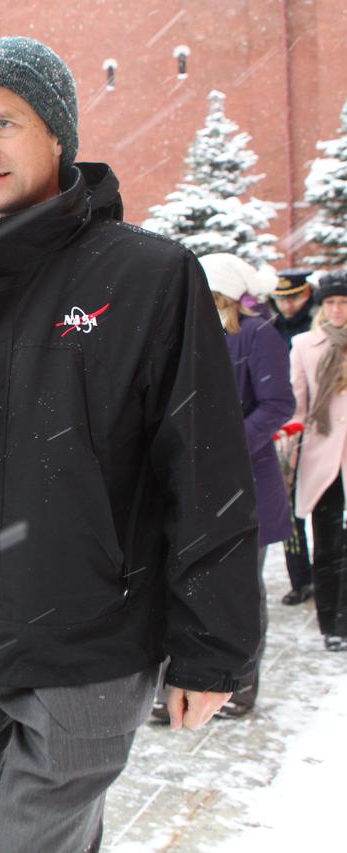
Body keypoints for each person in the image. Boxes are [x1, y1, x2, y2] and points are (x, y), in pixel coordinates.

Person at [0, 37, 261, 852]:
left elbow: (205, 466)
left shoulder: (148, 276)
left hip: (91, 639)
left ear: (57, 136)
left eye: (5, 122)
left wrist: (211, 651)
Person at [197, 253, 294, 715]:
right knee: (197, 586)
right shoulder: (197, 334)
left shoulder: (257, 335)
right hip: (200, 487)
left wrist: (231, 447)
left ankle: (240, 686)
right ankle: (196, 683)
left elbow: (278, 404)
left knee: (243, 590)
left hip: (249, 486)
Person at [290, 270, 347, 651]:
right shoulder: (304, 345)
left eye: (343, 302)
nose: (337, 309)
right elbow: (296, 407)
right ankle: (333, 624)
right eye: (330, 302)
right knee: (327, 543)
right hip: (321, 455)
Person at [272, 268, 318, 604]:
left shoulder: (317, 328)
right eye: (282, 299)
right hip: (287, 429)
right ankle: (300, 579)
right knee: (291, 510)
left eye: (294, 298)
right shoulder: (271, 328)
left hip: (321, 427)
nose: (288, 306)